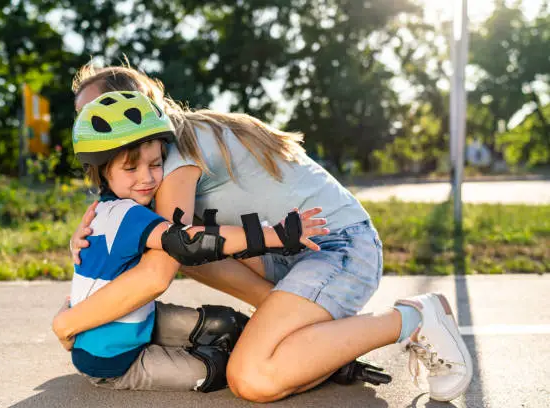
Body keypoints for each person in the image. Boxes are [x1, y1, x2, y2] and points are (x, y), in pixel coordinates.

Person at [57, 64, 473, 403]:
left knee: (252, 376)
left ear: (141, 107)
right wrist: (85, 233)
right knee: (195, 255)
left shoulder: (173, 155)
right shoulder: (160, 150)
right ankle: (293, 326)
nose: (94, 126)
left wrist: (69, 324)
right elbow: (128, 238)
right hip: (293, 252)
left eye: (103, 109)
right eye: (85, 119)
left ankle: (414, 317)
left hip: (336, 244)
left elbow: (155, 273)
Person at [63, 90, 329, 392]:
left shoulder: (114, 208)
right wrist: (275, 236)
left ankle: (313, 346)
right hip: (115, 361)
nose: (147, 178)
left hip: (138, 322)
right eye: (130, 168)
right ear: (102, 172)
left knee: (227, 324)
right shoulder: (123, 215)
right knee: (222, 366)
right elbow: (187, 241)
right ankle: (322, 360)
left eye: (155, 163)